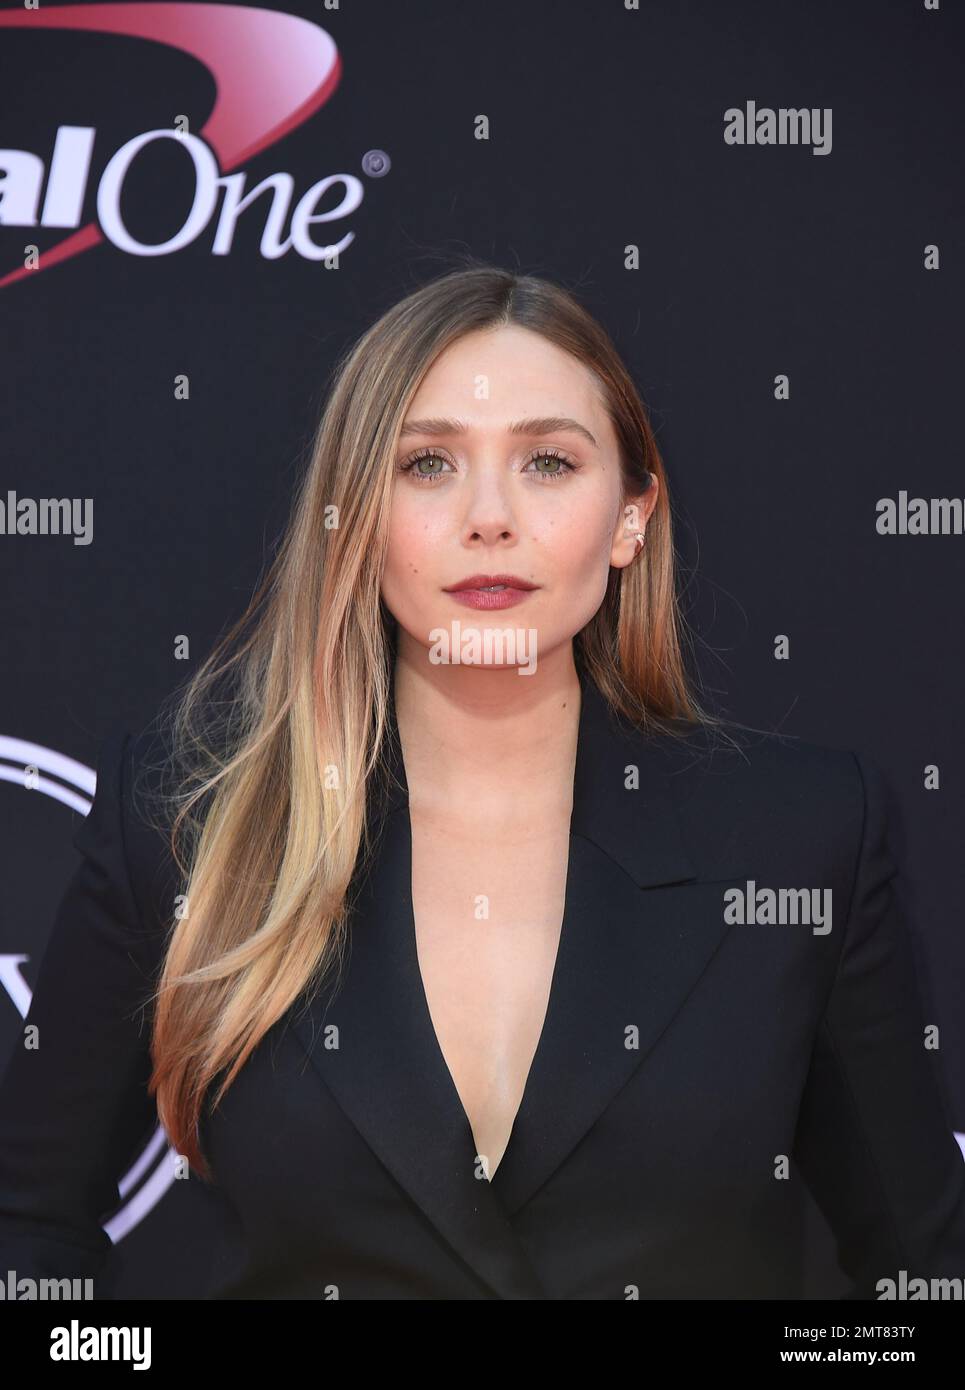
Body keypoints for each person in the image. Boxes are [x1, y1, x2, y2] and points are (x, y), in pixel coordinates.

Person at [1, 264, 963, 1299]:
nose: (489, 516)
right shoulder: (190, 820)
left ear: (631, 516)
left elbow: (920, 1272)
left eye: (548, 461)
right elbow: (26, 1229)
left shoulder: (801, 832)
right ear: (352, 516)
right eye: (427, 465)